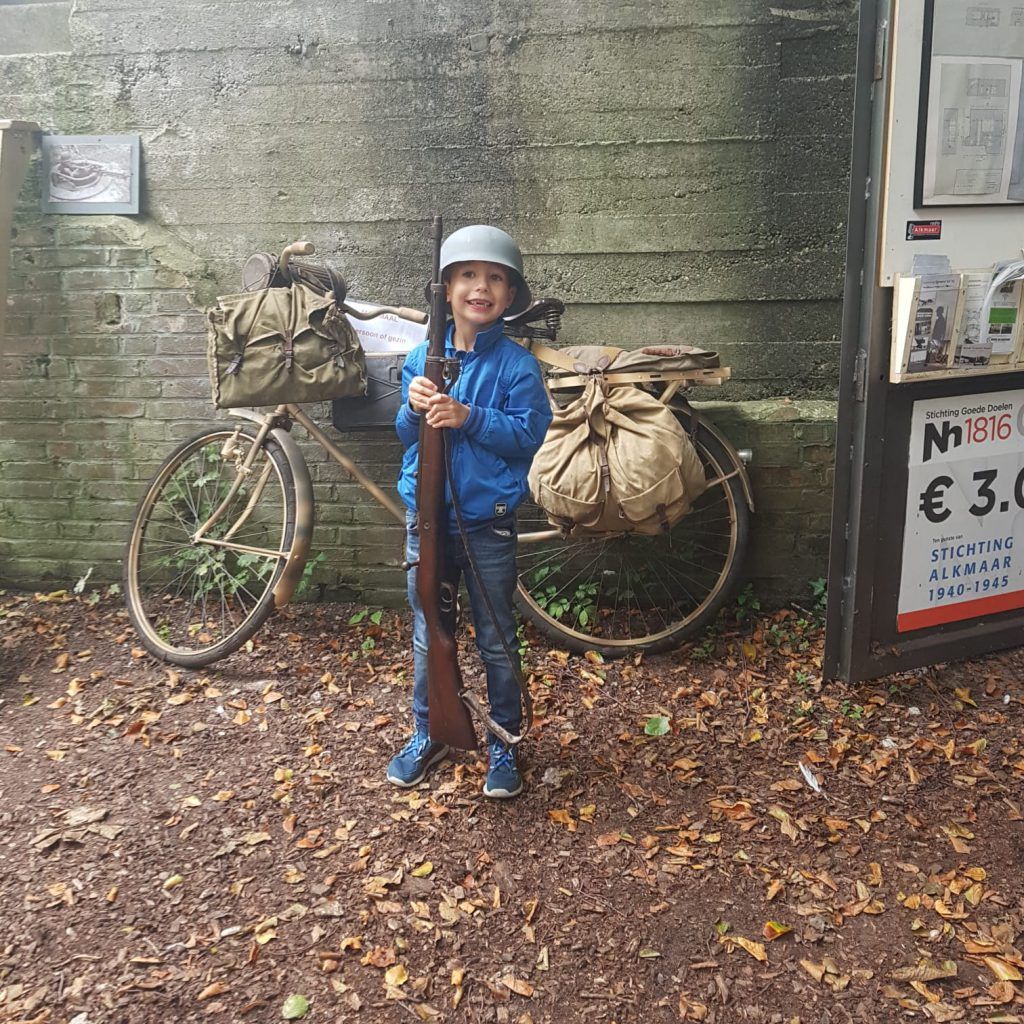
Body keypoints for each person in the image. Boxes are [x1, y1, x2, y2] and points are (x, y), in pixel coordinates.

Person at [387, 225, 553, 799]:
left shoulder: (517, 367)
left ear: (509, 296)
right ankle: (427, 732)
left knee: (495, 638)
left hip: (487, 523)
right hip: (425, 520)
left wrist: (469, 416)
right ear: (447, 288)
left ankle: (505, 742)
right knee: (426, 631)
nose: (480, 287)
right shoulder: (418, 358)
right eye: (468, 276)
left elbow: (529, 435)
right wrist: (413, 408)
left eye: (495, 278)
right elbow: (406, 435)